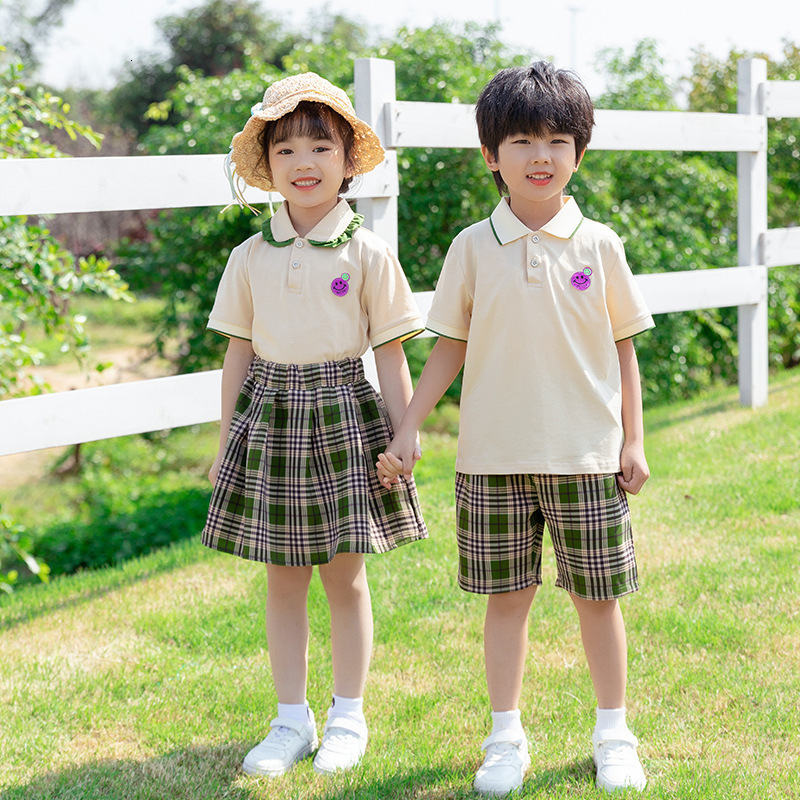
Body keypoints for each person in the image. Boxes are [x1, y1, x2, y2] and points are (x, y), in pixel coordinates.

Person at [377, 61, 654, 795]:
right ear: (489, 155)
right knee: (508, 600)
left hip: (588, 456)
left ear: (579, 153)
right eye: (524, 140)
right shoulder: (472, 247)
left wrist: (633, 440)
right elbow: (449, 346)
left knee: (599, 598)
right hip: (492, 459)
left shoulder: (600, 244)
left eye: (559, 140)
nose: (541, 156)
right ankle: (505, 737)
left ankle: (613, 731)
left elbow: (625, 348)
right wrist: (408, 427)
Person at [202, 72, 427, 779]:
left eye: (320, 148)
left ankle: (348, 715)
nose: (304, 163)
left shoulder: (368, 253)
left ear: (348, 161)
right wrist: (222, 446)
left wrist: (404, 432)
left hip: (344, 418)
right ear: (267, 165)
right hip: (269, 419)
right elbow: (238, 354)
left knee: (345, 579)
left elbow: (391, 357)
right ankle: (289, 719)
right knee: (283, 578)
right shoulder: (249, 257)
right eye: (287, 149)